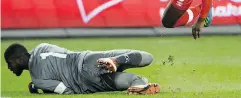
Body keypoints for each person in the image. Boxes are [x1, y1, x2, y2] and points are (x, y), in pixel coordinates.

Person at [4, 43, 160, 95]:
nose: (9, 68)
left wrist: (40, 87)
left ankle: (140, 84)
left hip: (85, 80)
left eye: (9, 63)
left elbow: (66, 90)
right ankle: (116, 61)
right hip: (88, 58)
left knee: (130, 80)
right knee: (147, 57)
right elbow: (64, 54)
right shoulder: (42, 46)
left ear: (19, 59)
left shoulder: (38, 79)